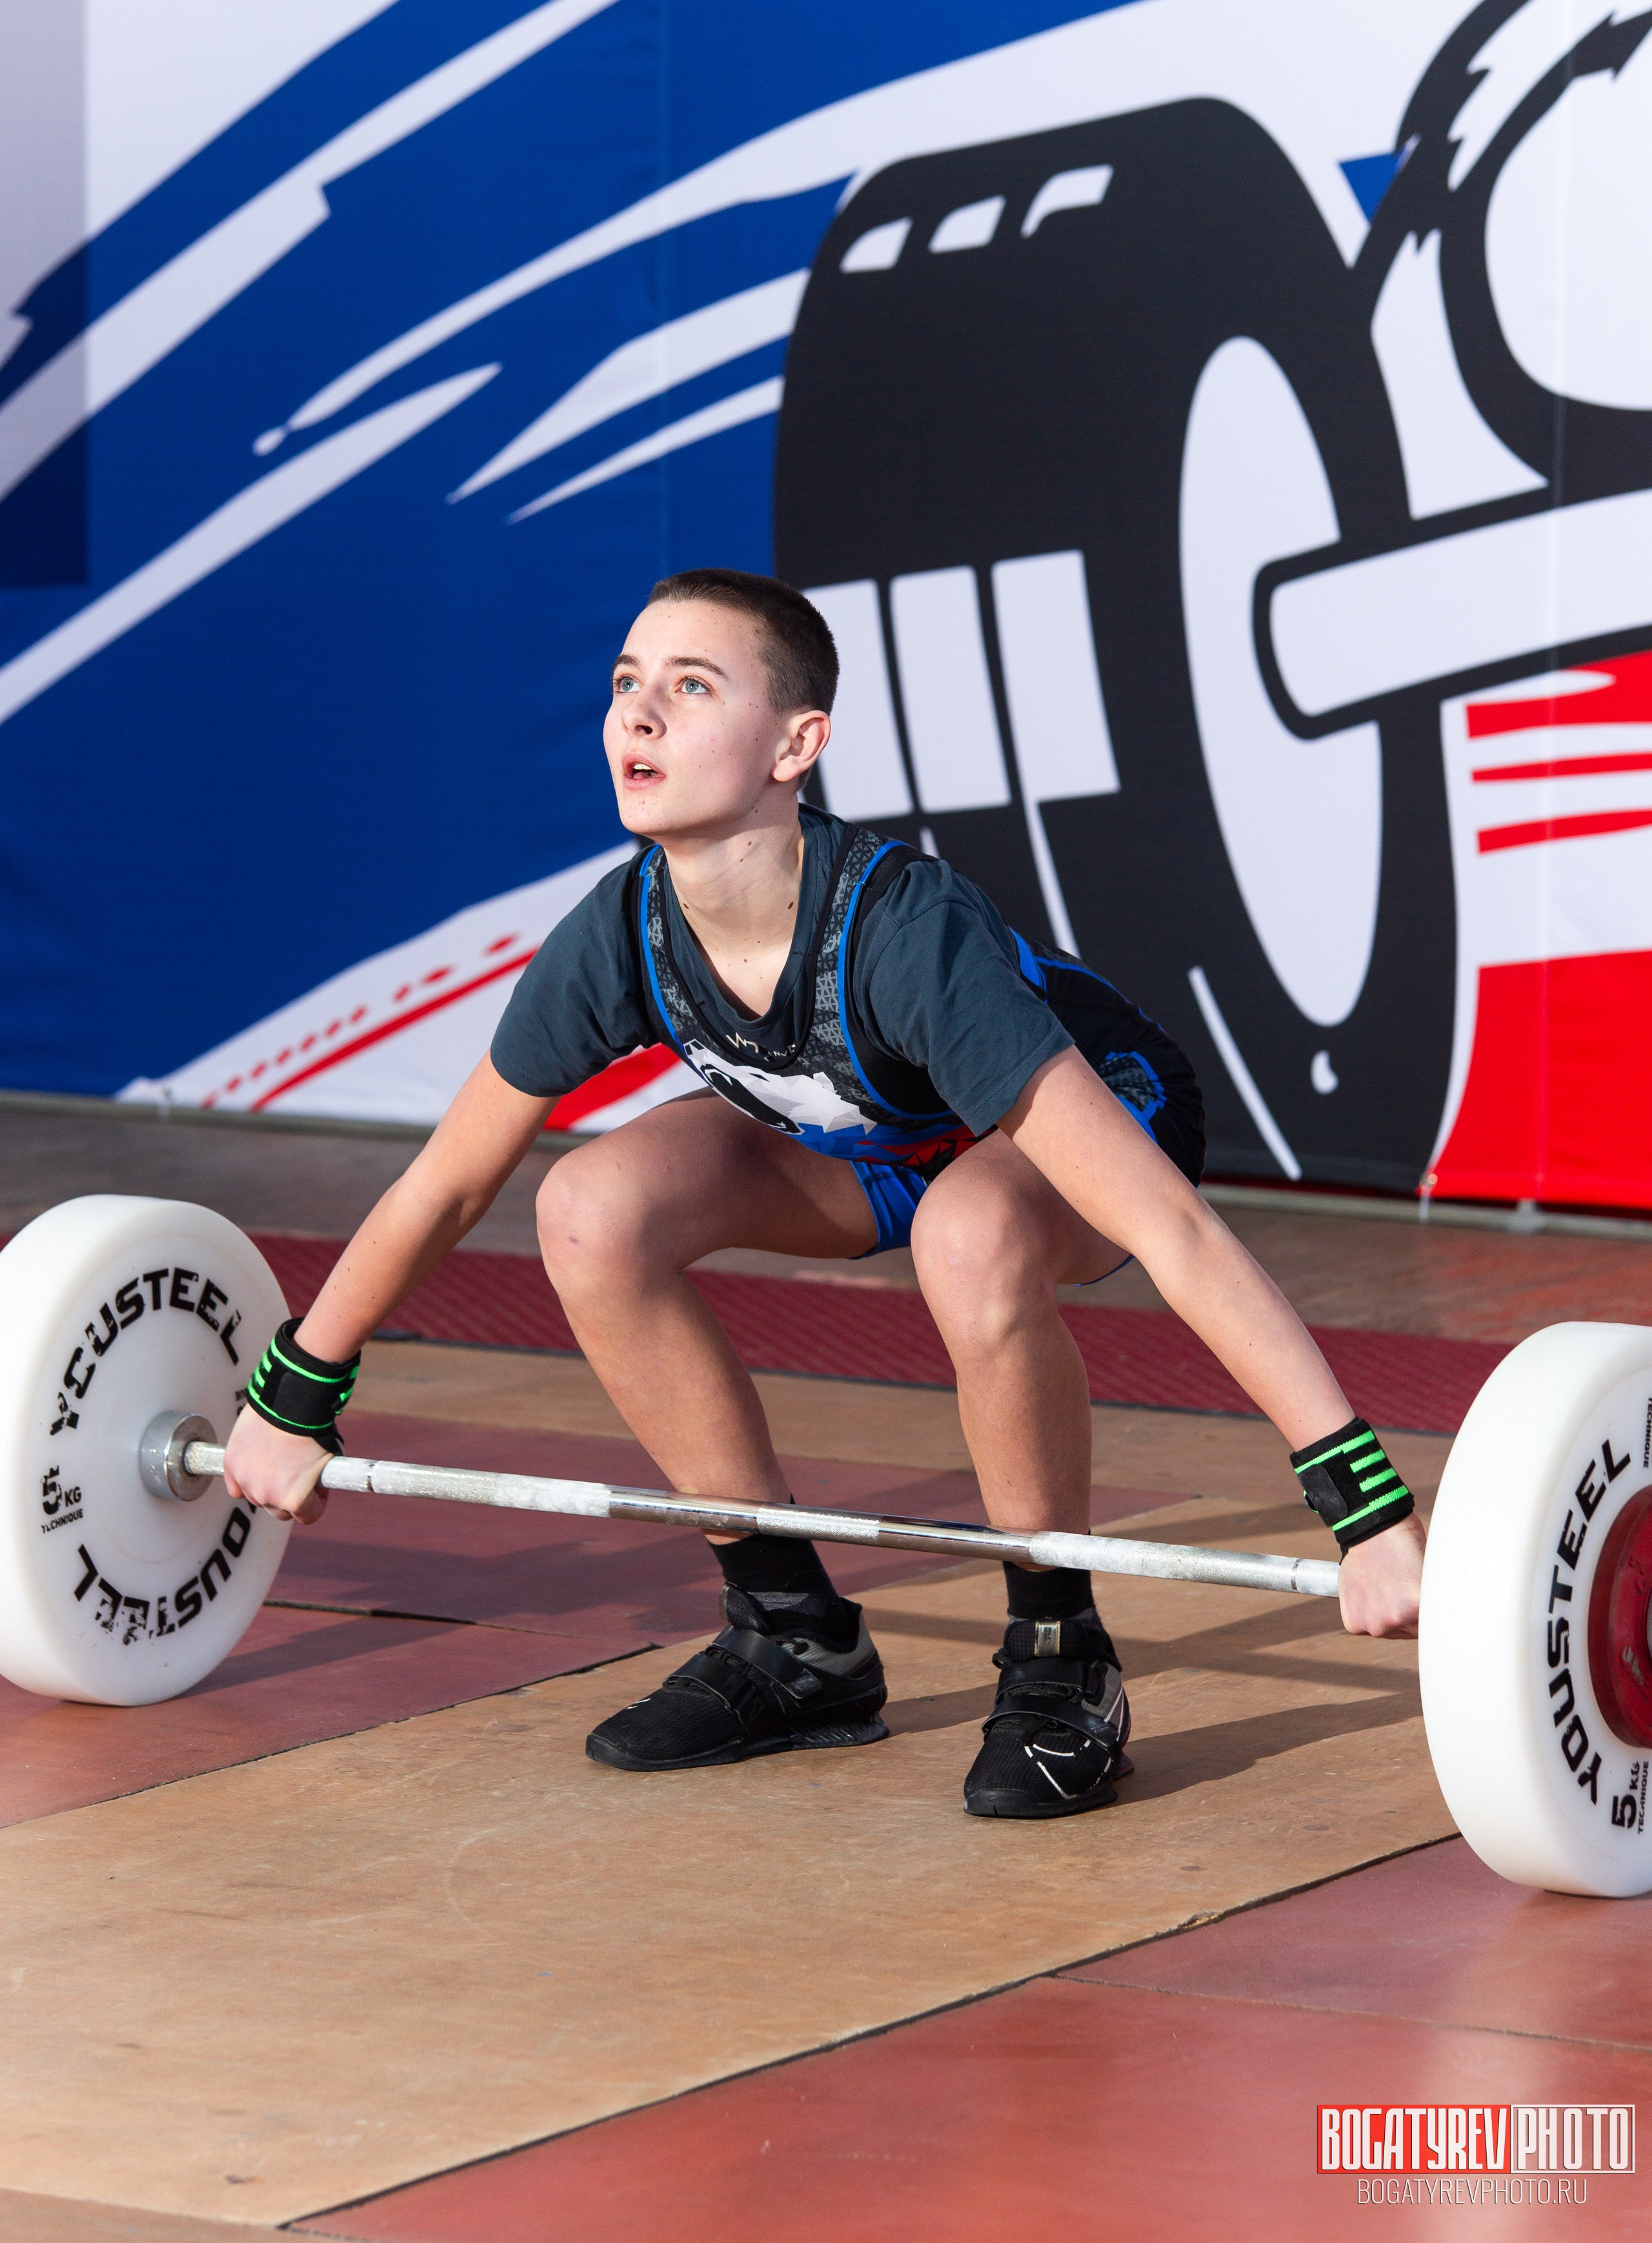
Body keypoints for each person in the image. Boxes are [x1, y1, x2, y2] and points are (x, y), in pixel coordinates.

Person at [226, 567, 1426, 1820]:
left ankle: (1059, 1655)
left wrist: (1363, 1507)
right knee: (588, 1206)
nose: (638, 716)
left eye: (690, 689)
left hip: (1081, 1123)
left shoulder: (902, 934)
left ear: (796, 744)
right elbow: (448, 1180)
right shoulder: (620, 929)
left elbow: (1170, 1231)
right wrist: (295, 1393)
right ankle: (793, 1638)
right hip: (868, 1143)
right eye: (627, 683)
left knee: (969, 1231)